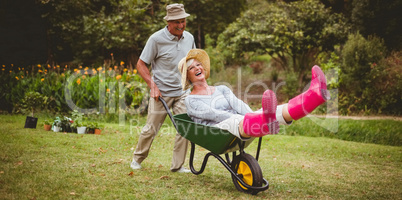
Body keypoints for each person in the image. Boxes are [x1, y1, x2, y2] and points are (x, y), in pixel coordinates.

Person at [177, 49, 330, 139]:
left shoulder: (222, 88)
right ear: (188, 77)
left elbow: (238, 104)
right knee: (239, 121)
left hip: (242, 124)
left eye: (199, 64)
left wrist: (253, 113)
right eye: (192, 68)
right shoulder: (191, 100)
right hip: (216, 130)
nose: (198, 68)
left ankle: (314, 96)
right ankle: (262, 120)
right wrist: (246, 118)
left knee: (275, 110)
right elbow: (214, 115)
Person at [131, 3, 196, 173]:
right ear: (168, 22)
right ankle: (137, 158)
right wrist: (152, 86)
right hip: (161, 93)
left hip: (182, 92)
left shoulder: (189, 38)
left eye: (183, 21)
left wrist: (196, 85)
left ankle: (177, 165)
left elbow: (193, 63)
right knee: (151, 128)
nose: (181, 25)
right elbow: (141, 64)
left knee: (185, 127)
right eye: (177, 23)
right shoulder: (156, 39)